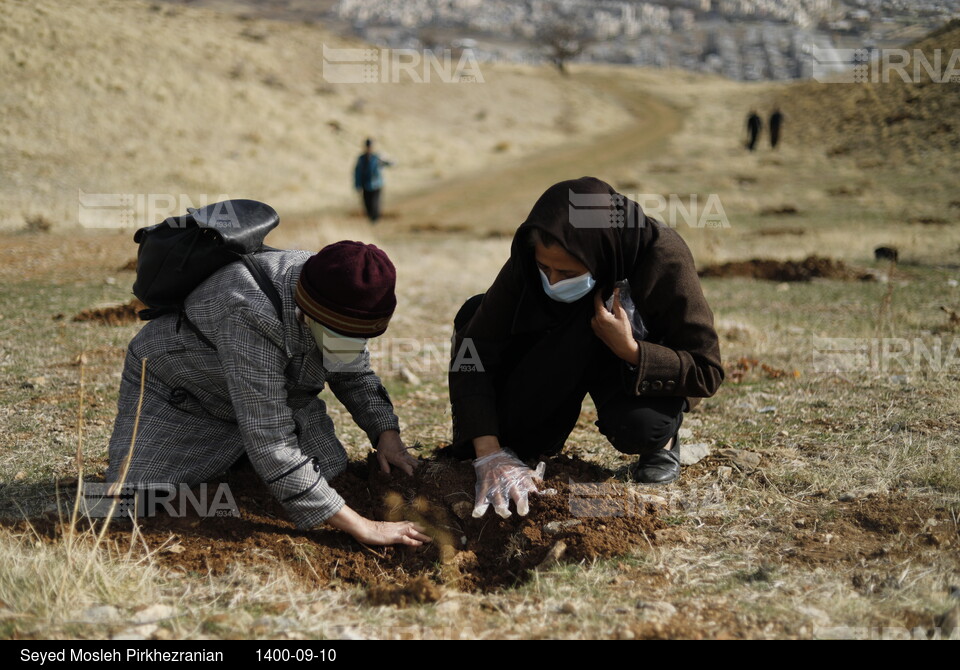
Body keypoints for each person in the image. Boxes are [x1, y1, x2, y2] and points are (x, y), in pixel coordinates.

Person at [106, 241, 431, 547]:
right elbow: (271, 440)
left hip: (278, 390)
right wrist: (362, 525)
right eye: (339, 335)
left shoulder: (339, 294)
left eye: (360, 337)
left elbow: (353, 371)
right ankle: (232, 463)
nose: (350, 345)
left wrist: (386, 435)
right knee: (128, 501)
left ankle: (241, 464)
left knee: (331, 472)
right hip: (188, 394)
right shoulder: (251, 310)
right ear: (307, 313)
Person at [447, 177, 723, 518]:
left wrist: (632, 351)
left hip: (625, 365)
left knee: (640, 428)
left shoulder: (661, 256)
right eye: (545, 268)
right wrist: (488, 450)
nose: (553, 281)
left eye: (567, 272)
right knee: (474, 315)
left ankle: (664, 442)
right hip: (564, 349)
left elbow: (706, 370)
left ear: (602, 256)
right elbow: (473, 349)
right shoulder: (529, 259)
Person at [354, 138, 392, 223]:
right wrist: (357, 184)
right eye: (367, 146)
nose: (369, 148)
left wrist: (386, 160)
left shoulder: (377, 157)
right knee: (367, 204)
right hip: (365, 185)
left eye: (370, 146)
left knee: (375, 203)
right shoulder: (361, 159)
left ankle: (375, 220)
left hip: (376, 185)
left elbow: (389, 163)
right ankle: (371, 219)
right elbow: (357, 172)